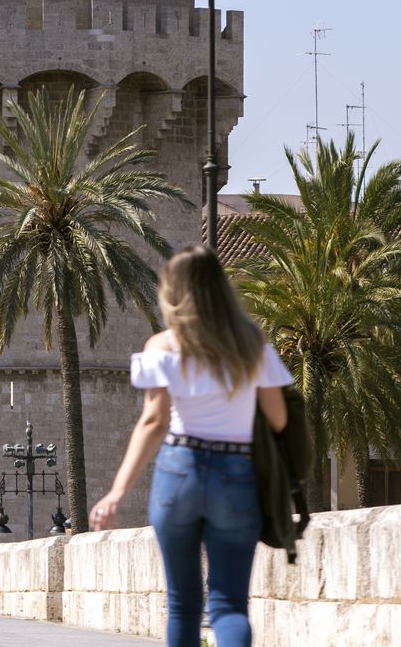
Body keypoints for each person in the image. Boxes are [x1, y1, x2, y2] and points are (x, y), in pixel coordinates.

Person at [91, 245, 293, 647]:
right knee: (229, 605)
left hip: (179, 467)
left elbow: (154, 420)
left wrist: (117, 492)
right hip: (237, 472)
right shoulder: (251, 344)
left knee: (183, 603)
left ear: (173, 290)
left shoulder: (162, 346)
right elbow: (279, 418)